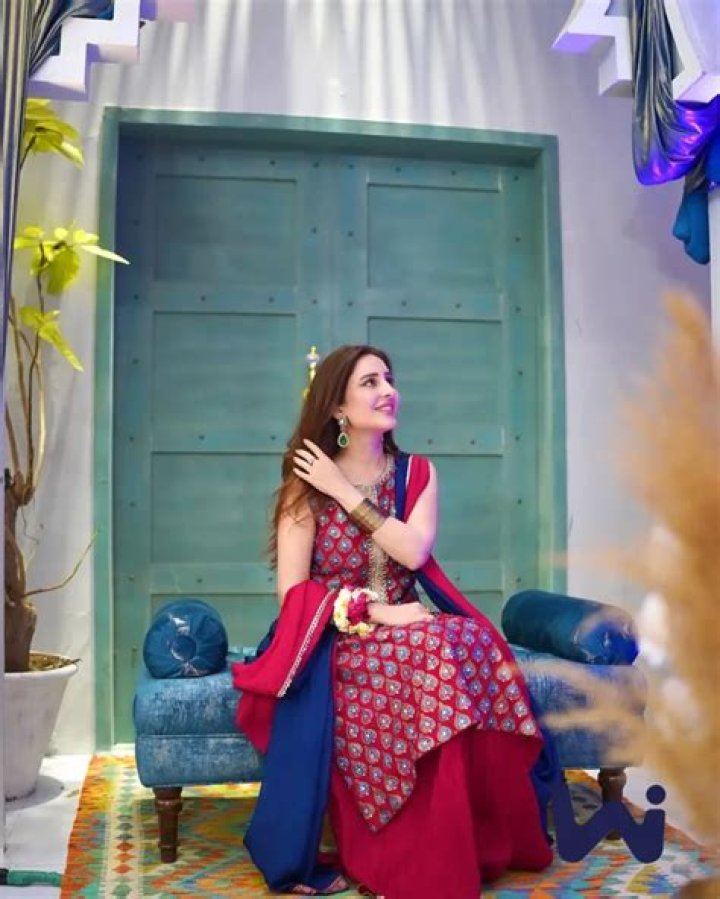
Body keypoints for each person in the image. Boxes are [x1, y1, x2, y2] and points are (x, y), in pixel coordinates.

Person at [232, 345, 557, 899]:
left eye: (388, 379)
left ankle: (473, 840)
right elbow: (293, 594)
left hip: (412, 627)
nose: (388, 391)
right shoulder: (305, 486)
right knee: (428, 650)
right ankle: (407, 856)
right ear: (338, 406)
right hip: (334, 636)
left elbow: (411, 551)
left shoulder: (417, 473)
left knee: (471, 640)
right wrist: (377, 612)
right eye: (369, 382)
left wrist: (345, 493)